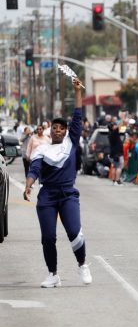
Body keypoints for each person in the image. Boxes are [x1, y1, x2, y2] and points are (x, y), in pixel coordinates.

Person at [23, 78, 92, 288]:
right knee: (48, 237)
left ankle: (82, 264)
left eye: (62, 128)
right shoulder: (41, 149)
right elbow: (34, 169)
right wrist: (28, 184)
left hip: (68, 194)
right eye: (55, 128)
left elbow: (78, 117)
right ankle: (53, 274)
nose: (59, 130)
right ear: (50, 130)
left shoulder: (71, 142)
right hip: (47, 195)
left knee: (74, 232)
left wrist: (77, 92)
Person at [107, 119, 124, 186]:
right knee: (119, 167)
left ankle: (114, 181)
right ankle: (117, 181)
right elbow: (119, 126)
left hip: (113, 153)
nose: (115, 126)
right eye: (114, 125)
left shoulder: (110, 134)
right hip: (118, 153)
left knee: (114, 167)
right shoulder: (114, 133)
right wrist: (122, 118)